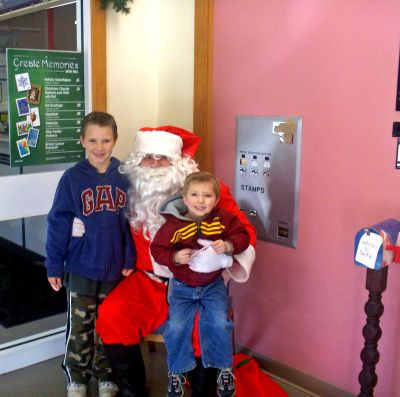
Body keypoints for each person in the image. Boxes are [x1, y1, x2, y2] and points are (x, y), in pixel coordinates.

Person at [74, 126, 256, 397]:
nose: (156, 164)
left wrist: (224, 250)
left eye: (164, 158)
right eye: (148, 157)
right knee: (112, 315)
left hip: (197, 284)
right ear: (138, 162)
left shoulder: (204, 191)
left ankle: (201, 391)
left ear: (178, 163)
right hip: (146, 282)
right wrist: (80, 225)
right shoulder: (128, 191)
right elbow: (100, 216)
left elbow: (243, 231)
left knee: (202, 329)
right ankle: (132, 391)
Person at [45, 111, 136, 397]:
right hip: (81, 267)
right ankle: (77, 377)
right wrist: (54, 266)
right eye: (93, 140)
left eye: (106, 140)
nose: (100, 147)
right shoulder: (72, 178)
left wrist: (130, 259)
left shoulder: (125, 177)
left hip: (114, 271)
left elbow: (133, 222)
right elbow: (58, 223)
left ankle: (106, 375)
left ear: (115, 141)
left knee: (107, 326)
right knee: (80, 328)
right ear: (83, 140)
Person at [150, 171, 250, 397]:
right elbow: (157, 250)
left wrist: (228, 244)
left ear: (215, 200)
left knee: (219, 324)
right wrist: (174, 258)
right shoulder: (173, 224)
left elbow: (242, 236)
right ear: (185, 199)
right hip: (183, 288)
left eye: (207, 196)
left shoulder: (223, 218)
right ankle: (176, 372)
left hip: (213, 286)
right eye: (194, 195)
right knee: (176, 328)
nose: (200, 200)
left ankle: (224, 368)